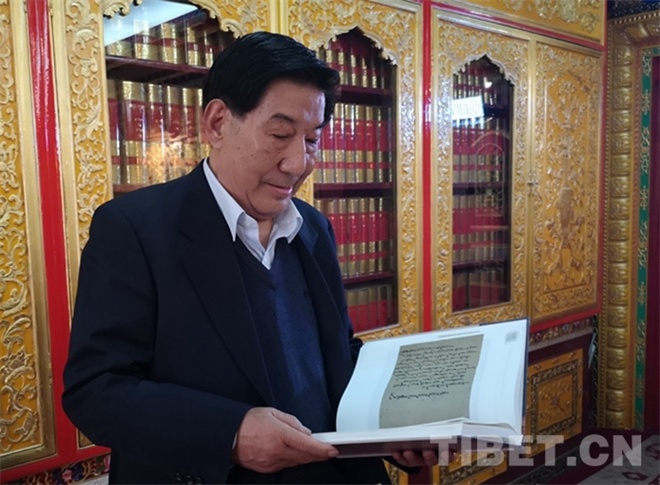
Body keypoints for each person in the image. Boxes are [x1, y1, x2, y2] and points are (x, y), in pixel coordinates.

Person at [62, 31, 436, 484]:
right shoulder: (135, 229)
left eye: (312, 139)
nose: (298, 163)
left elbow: (335, 355)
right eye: (280, 135)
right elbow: (96, 390)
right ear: (218, 123)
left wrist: (394, 425)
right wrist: (230, 434)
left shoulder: (313, 228)